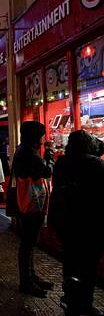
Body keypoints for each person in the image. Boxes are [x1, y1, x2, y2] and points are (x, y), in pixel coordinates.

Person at [50, 131, 104, 316]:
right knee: (88, 264)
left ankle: (71, 297)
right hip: (90, 222)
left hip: (67, 221)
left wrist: (54, 221)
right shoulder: (96, 163)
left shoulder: (62, 162)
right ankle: (85, 303)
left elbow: (56, 193)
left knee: (71, 260)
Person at [11, 121, 52, 297]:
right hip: (31, 202)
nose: (43, 138)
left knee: (29, 242)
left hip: (26, 201)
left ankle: (30, 276)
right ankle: (26, 281)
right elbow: (46, 172)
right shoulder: (29, 153)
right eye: (41, 134)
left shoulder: (22, 149)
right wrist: (49, 156)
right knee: (28, 242)